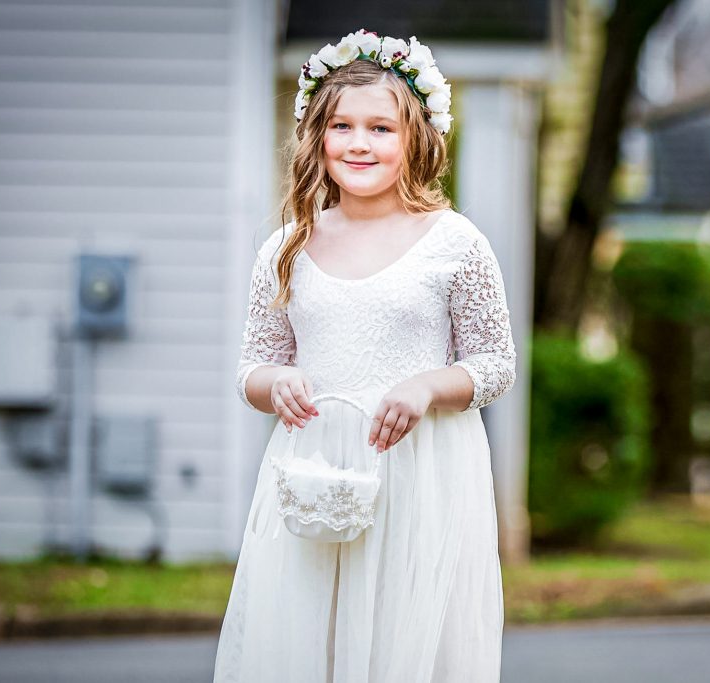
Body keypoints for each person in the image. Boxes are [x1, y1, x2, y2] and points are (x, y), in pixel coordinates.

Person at [213, 28, 516, 683]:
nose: (358, 142)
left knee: (400, 645)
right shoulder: (286, 248)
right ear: (316, 137)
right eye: (342, 126)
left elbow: (495, 363)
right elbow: (251, 367)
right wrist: (277, 380)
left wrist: (427, 387)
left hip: (419, 475)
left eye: (381, 128)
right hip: (317, 475)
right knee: (312, 646)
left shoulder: (454, 243)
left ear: (417, 138)